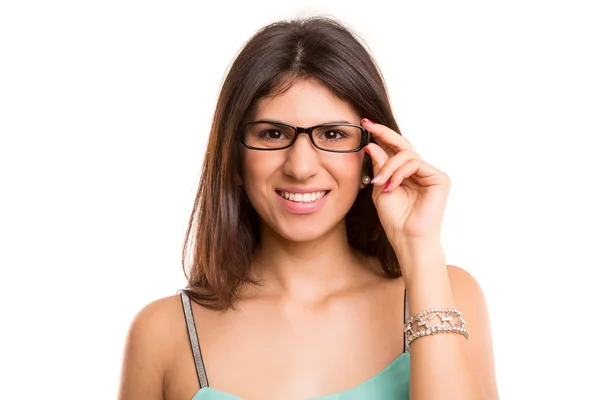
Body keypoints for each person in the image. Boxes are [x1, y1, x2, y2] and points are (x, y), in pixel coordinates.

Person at [118, 16, 498, 400]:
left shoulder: (447, 292)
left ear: (371, 157)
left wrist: (420, 249)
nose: (300, 167)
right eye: (273, 134)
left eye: (332, 134)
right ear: (234, 159)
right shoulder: (165, 333)